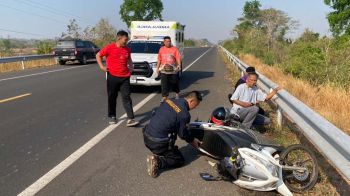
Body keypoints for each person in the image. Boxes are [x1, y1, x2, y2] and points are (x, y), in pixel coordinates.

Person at [143, 91, 202, 178]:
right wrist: (193, 140)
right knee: (179, 160)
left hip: (146, 136)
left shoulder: (170, 100)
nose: (195, 108)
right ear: (191, 101)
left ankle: (164, 150)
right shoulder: (184, 114)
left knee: (169, 127)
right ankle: (157, 161)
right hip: (157, 143)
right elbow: (183, 134)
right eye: (196, 105)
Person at [96, 30, 139, 127]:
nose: (126, 41)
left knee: (126, 97)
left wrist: (131, 67)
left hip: (125, 77)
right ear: (119, 38)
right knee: (112, 97)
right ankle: (112, 116)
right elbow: (98, 55)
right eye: (125, 39)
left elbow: (129, 60)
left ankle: (131, 118)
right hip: (112, 77)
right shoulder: (109, 48)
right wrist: (102, 67)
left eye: (127, 40)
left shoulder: (127, 49)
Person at [156, 36, 182, 102]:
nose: (169, 42)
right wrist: (157, 68)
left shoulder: (174, 49)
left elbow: (178, 58)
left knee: (174, 82)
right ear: (164, 42)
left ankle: (177, 93)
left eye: (169, 41)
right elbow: (159, 59)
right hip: (164, 69)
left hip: (173, 69)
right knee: (164, 84)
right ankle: (164, 96)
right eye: (167, 41)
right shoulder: (161, 49)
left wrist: (179, 65)